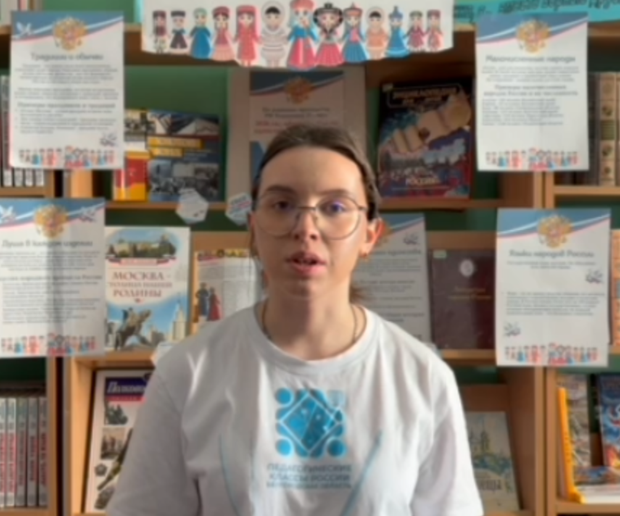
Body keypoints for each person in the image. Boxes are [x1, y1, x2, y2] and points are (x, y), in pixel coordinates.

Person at [107, 124, 482, 515]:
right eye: (282, 204)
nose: (305, 228)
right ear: (254, 226)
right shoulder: (186, 374)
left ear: (370, 236)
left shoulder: (423, 378)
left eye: (335, 207)